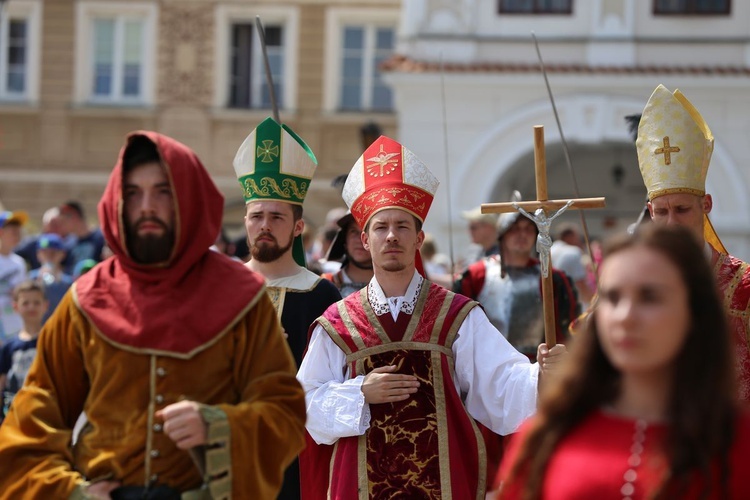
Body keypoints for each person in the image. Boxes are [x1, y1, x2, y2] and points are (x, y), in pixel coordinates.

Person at [0, 131, 306, 499]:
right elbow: (30, 426)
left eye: (163, 191)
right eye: (133, 193)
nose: (146, 206)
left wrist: (219, 426)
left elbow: (283, 413)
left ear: (188, 199)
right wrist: (73, 494)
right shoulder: (86, 297)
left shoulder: (242, 298)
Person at [297, 135, 566, 498]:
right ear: (365, 239)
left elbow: (500, 384)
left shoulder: (456, 316)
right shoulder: (338, 323)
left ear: (419, 238)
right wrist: (360, 392)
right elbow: (305, 404)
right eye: (381, 227)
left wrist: (541, 377)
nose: (392, 236)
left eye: (402, 226)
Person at [496, 224, 750, 499]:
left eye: (650, 297)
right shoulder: (545, 436)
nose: (625, 316)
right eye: (613, 297)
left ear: (694, 313)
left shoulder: (735, 443)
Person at [233, 117, 341, 500]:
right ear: (245, 222)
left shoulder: (323, 297)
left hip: (297, 454)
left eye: (276, 217)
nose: (265, 225)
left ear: (298, 228)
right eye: (256, 216)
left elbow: (335, 382)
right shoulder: (220, 290)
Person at [635, 84, 750, 400]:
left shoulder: (745, 287)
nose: (671, 222)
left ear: (706, 205)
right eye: (661, 212)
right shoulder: (634, 285)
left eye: (682, 210)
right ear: (650, 212)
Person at [456, 207, 580, 359]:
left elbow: (565, 331)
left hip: (536, 366)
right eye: (515, 229)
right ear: (503, 234)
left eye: (528, 229)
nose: (522, 234)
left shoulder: (552, 278)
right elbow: (461, 329)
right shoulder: (476, 275)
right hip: (488, 365)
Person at [0, 280, 47, 421]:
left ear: (45, 306)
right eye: (25, 303)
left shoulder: (51, 341)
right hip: (14, 416)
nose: (31, 307)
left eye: (36, 303)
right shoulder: (9, 347)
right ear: (16, 307)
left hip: (45, 413)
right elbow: (2, 382)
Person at [320, 212, 374, 297]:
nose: (360, 240)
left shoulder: (395, 286)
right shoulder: (326, 284)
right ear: (344, 239)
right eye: (354, 231)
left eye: (367, 232)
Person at [28, 233, 73, 323]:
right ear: (38, 255)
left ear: (62, 254)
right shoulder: (30, 277)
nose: (49, 256)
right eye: (44, 252)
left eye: (53, 252)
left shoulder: (69, 281)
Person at [0, 210, 28, 346]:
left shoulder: (19, 262)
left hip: (13, 322)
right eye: (13, 231)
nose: (17, 235)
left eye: (19, 231)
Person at [551, 222, 595, 307]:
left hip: (552, 302)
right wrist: (592, 302)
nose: (579, 240)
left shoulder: (550, 250)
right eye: (577, 236)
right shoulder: (573, 252)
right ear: (569, 237)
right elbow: (580, 283)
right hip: (570, 303)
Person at [58, 200, 106, 275]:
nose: (61, 225)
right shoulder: (68, 244)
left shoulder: (101, 238)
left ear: (74, 217)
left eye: (63, 221)